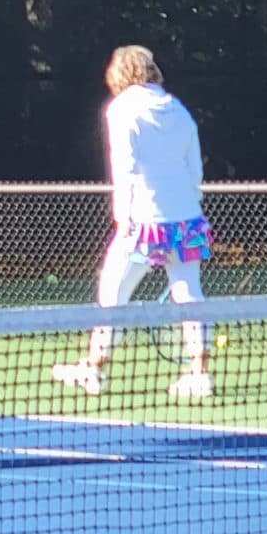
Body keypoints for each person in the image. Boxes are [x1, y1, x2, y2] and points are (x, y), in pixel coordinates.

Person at [50, 45, 214, 400]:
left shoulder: (121, 109)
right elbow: (194, 171)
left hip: (143, 220)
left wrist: (122, 215)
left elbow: (123, 165)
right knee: (189, 294)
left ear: (120, 74)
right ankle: (200, 373)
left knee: (112, 291)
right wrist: (186, 203)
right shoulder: (178, 110)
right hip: (185, 218)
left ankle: (95, 368)